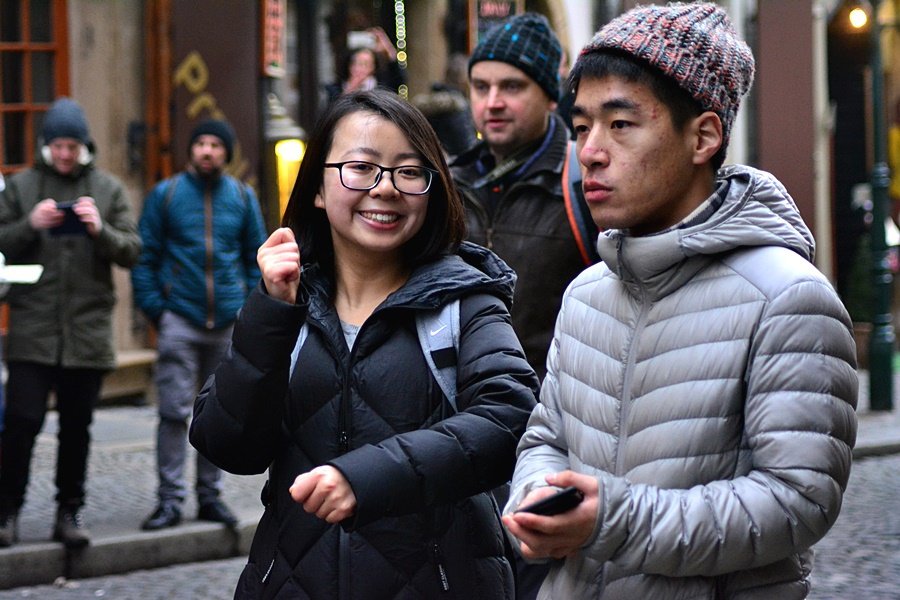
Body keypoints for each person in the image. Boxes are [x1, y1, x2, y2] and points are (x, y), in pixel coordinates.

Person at [500, 4, 859, 599]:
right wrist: (535, 501)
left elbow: (798, 503)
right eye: (582, 126)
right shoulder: (588, 291)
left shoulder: (788, 297)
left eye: (620, 125)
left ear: (704, 136)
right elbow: (547, 437)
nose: (590, 151)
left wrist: (612, 520)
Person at [189, 89, 539, 598]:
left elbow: (509, 417)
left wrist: (366, 478)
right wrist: (269, 312)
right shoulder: (286, 305)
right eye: (361, 167)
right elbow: (228, 444)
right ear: (317, 187)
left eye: (409, 171)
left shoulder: (465, 301)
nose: (386, 189)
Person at [0, 97, 142, 548]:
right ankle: (6, 514)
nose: (65, 154)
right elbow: (1, 244)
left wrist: (100, 229)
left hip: (87, 333)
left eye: (72, 146)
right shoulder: (20, 187)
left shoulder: (108, 188)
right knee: (21, 423)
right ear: (46, 146)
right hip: (32, 332)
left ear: (84, 147)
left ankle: (69, 513)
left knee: (77, 428)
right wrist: (30, 224)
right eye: (58, 145)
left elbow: (132, 250)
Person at [131, 119, 267, 531]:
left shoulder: (242, 197)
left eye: (215, 145)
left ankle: (210, 497)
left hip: (226, 322)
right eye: (201, 143)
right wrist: (159, 310)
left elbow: (254, 258)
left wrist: (245, 307)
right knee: (173, 412)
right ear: (191, 150)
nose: (207, 150)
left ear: (226, 153)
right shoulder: (166, 195)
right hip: (180, 319)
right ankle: (169, 501)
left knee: (217, 414)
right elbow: (145, 257)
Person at [451, 12, 586, 383]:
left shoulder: (584, 180)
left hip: (553, 413)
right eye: (481, 87)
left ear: (550, 97)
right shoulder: (449, 185)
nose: (492, 102)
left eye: (511, 87)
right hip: (461, 414)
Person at [325, 27, 407, 102]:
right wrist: (350, 89)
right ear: (349, 65)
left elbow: (400, 78)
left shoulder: (382, 87)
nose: (361, 68)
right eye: (357, 63)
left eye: (366, 64)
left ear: (373, 68)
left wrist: (388, 48)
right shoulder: (335, 89)